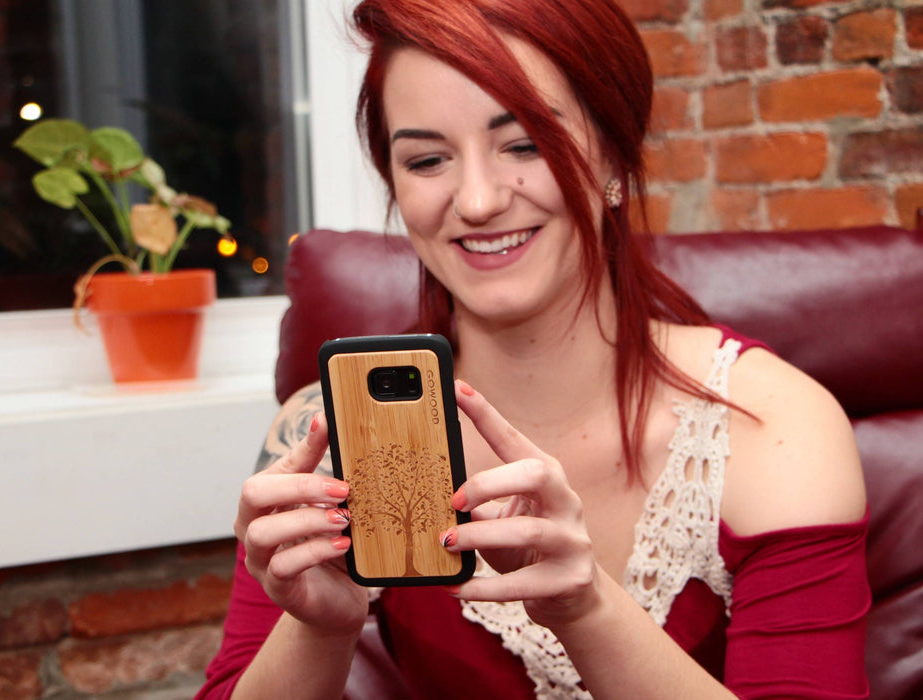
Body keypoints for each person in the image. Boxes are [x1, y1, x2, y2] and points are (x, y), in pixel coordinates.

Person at [197, 1, 871, 698]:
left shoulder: (771, 424)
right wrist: (317, 631)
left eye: (525, 144)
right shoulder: (328, 430)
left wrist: (587, 609)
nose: (478, 200)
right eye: (427, 160)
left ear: (614, 154)